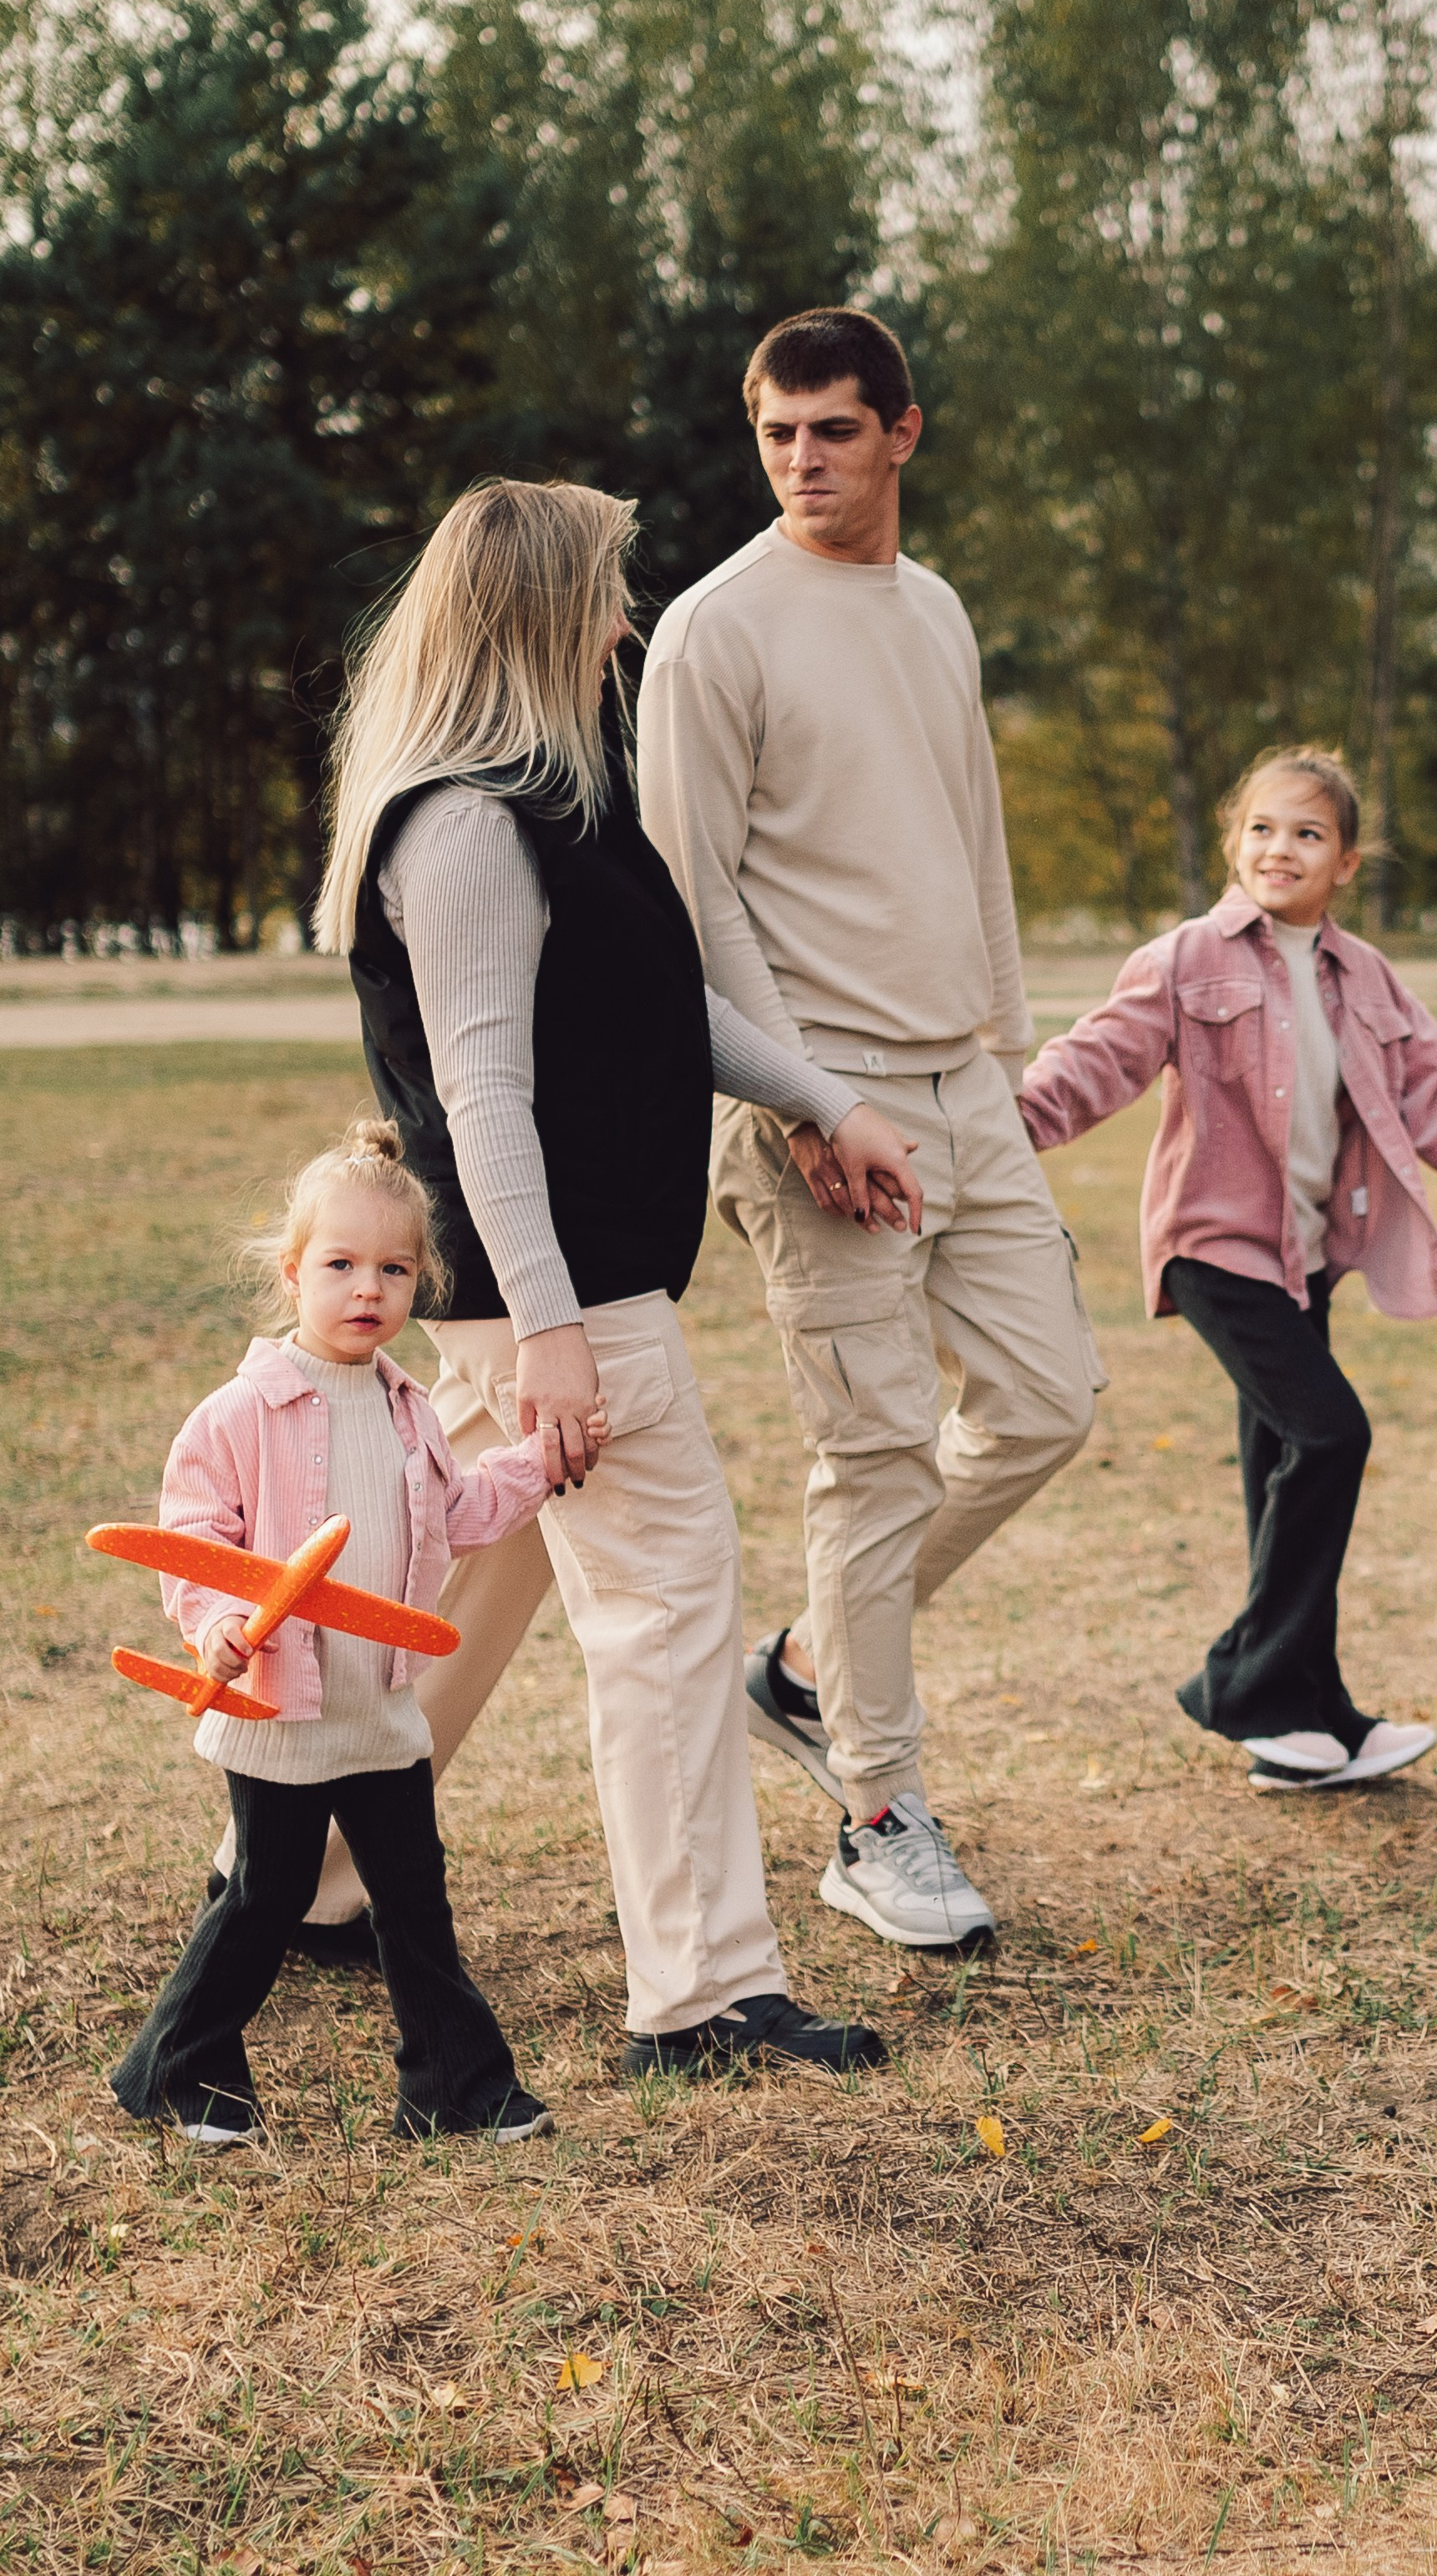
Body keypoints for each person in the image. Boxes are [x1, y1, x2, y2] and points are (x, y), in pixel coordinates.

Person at [280, 477, 920, 2076]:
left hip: (552, 1295)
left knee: (452, 1582)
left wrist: (823, 1100)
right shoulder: (464, 827)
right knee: (668, 1609)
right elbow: (485, 1096)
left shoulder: (561, 799)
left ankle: (300, 1876)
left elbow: (661, 1011)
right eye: (609, 593)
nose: (628, 622)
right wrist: (553, 1333)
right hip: (558, 1295)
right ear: (544, 613)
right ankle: (703, 1993)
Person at [639, 308, 1103, 1955]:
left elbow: (972, 839)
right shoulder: (712, 632)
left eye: (833, 429)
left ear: (902, 432)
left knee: (1046, 1402)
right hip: (816, 1102)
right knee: (878, 1456)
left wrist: (1003, 1051)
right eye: (776, 433)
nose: (802, 460)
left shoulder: (934, 606)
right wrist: (797, 1101)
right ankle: (877, 1816)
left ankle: (804, 1665)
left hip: (961, 1079)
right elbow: (692, 901)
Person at [1015, 747, 1437, 1793]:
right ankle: (1248, 1685)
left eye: (1309, 834)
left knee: (1283, 1469)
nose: (1282, 849)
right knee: (1330, 1435)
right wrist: (1001, 1124)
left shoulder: (1366, 978)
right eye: (1263, 829)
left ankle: (1312, 1718)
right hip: (1216, 1247)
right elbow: (1096, 1059)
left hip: (1303, 1258)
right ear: (1235, 842)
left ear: (1346, 863)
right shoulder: (1187, 958)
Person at [112, 1124, 569, 2146]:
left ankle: (455, 2087)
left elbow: (457, 1515)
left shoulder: (409, 1411)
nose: (369, 1289)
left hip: (378, 1710)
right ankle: (176, 2068)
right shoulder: (240, 1413)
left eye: (395, 1270)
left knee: (414, 1899)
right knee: (264, 1897)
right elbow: (195, 1540)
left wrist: (539, 1462)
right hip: (282, 1712)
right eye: (341, 1265)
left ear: (420, 1281)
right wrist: (219, 1622)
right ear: (292, 1272)